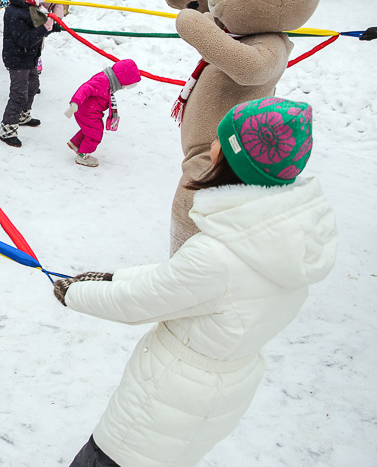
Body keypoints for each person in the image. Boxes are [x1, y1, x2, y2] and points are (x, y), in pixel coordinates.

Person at [54, 97, 336, 467]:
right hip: (219, 392)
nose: (212, 144)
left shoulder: (219, 254)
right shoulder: (285, 235)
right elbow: (179, 283)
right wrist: (112, 277)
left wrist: (74, 294)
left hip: (166, 402)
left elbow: (138, 301)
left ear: (236, 159)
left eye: (220, 139)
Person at [0, 0, 53, 147]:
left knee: (33, 86)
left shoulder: (31, 7)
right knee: (19, 94)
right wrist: (44, 29)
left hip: (29, 56)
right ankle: (7, 130)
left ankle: (23, 116)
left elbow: (35, 30)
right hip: (17, 58)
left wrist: (51, 27)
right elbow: (25, 39)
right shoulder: (14, 13)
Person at [63, 59, 141, 167]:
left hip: (91, 111)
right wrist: (75, 102)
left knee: (90, 130)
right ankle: (82, 155)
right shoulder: (102, 81)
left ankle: (76, 144)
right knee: (95, 133)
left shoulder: (108, 80)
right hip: (86, 111)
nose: (123, 88)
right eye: (125, 85)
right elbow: (85, 88)